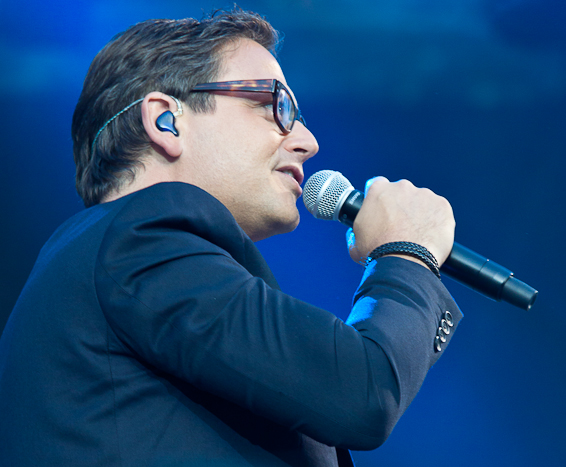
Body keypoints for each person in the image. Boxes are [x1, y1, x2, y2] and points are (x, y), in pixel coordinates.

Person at [0, 9, 461, 467]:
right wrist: (406, 255)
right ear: (167, 121)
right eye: (276, 105)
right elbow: (361, 393)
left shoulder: (118, 255)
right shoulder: (138, 238)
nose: (307, 141)